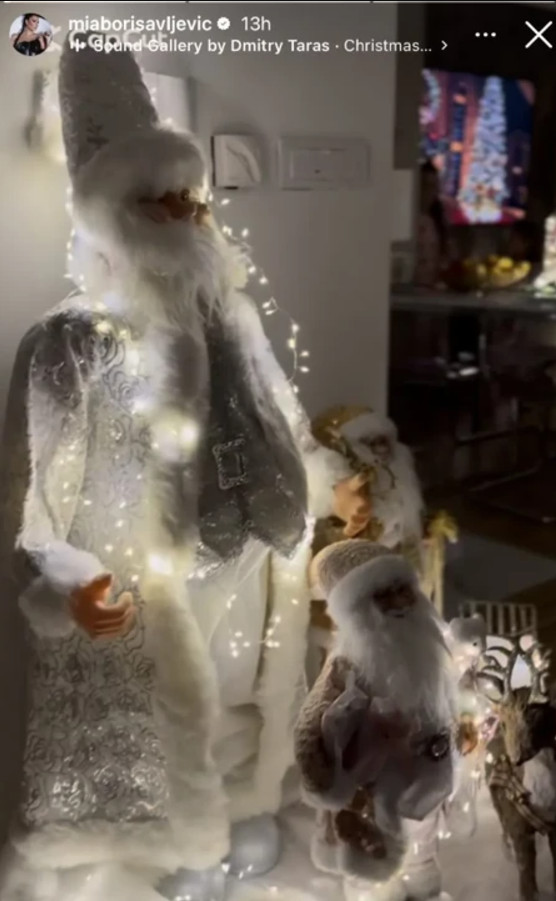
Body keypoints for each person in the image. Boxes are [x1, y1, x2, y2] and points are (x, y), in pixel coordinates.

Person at [0, 34, 371, 901]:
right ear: (110, 213)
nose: (184, 211)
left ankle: (241, 806)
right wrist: (61, 577)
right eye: (156, 199)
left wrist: (325, 485)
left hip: (249, 555)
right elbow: (32, 489)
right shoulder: (68, 341)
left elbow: (279, 421)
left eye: (189, 196)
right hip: (143, 572)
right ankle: (172, 843)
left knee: (243, 689)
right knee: (162, 705)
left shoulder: (230, 316)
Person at [414, 160, 449, 288]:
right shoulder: (406, 221)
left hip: (431, 288)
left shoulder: (436, 221)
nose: (429, 192)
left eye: (433, 187)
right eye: (425, 186)